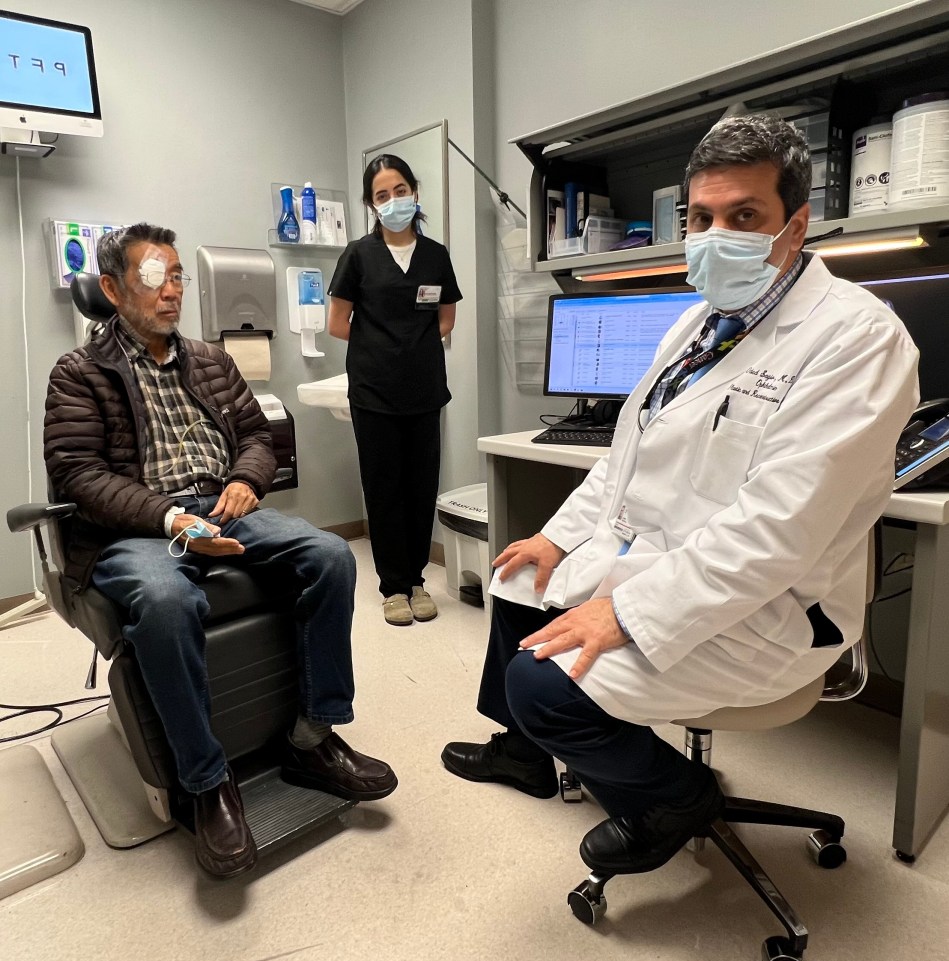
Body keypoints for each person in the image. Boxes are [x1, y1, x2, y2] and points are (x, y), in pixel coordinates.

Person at [442, 115, 919, 877]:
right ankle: (525, 754)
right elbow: (624, 457)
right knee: (517, 576)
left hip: (769, 605)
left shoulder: (857, 340)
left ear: (794, 226)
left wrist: (627, 611)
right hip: (663, 558)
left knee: (542, 685)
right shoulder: (699, 323)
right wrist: (557, 538)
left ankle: (675, 797)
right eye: (700, 217)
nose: (714, 235)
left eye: (743, 216)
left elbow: (774, 534)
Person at [44, 223, 398, 880]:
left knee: (331, 557)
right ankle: (206, 782)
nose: (173, 290)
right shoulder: (79, 373)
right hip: (137, 527)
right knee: (166, 599)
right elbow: (79, 475)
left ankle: (311, 737)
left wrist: (245, 481)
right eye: (156, 277)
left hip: (221, 503)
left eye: (177, 275)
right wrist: (170, 515)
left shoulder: (211, 360)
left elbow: (257, 438)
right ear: (113, 289)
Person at [327, 154, 462, 626]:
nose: (393, 200)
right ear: (371, 204)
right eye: (382, 195)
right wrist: (382, 347)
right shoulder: (358, 255)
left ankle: (418, 580)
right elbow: (337, 323)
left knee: (421, 487)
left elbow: (446, 318)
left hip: (425, 390)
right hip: (374, 392)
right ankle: (393, 587)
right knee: (384, 489)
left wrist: (412, 347)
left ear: (414, 192)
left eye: (400, 190)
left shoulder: (435, 255)